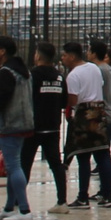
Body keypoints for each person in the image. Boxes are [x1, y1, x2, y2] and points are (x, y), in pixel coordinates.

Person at [0, 36, 34, 220]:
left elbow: (3, 100)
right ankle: (8, 206)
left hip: (9, 123)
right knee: (14, 164)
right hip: (23, 121)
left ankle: (23, 209)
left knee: (13, 165)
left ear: (3, 51)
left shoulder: (6, 72)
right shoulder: (22, 71)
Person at [62, 43, 111, 207]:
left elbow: (73, 100)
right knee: (103, 154)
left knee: (83, 156)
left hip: (83, 114)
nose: (62, 59)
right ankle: (107, 194)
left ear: (71, 56)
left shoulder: (72, 76)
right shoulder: (94, 68)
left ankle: (82, 196)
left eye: (64, 55)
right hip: (98, 112)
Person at [29, 43, 71, 210]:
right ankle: (62, 201)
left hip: (34, 126)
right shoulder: (59, 76)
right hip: (53, 126)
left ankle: (18, 202)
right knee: (56, 164)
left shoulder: (32, 75)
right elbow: (64, 101)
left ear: (38, 56)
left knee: (25, 163)